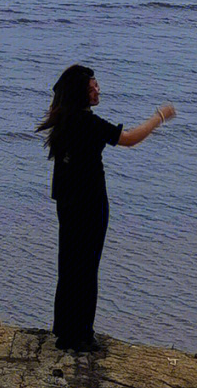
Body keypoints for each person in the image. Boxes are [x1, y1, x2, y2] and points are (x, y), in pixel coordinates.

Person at [37, 63, 175, 353]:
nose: (98, 90)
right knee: (87, 269)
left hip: (66, 202)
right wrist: (159, 117)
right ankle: (82, 336)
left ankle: (64, 330)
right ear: (82, 93)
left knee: (69, 264)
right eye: (93, 87)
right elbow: (129, 139)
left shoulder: (64, 119)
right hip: (89, 203)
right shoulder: (89, 123)